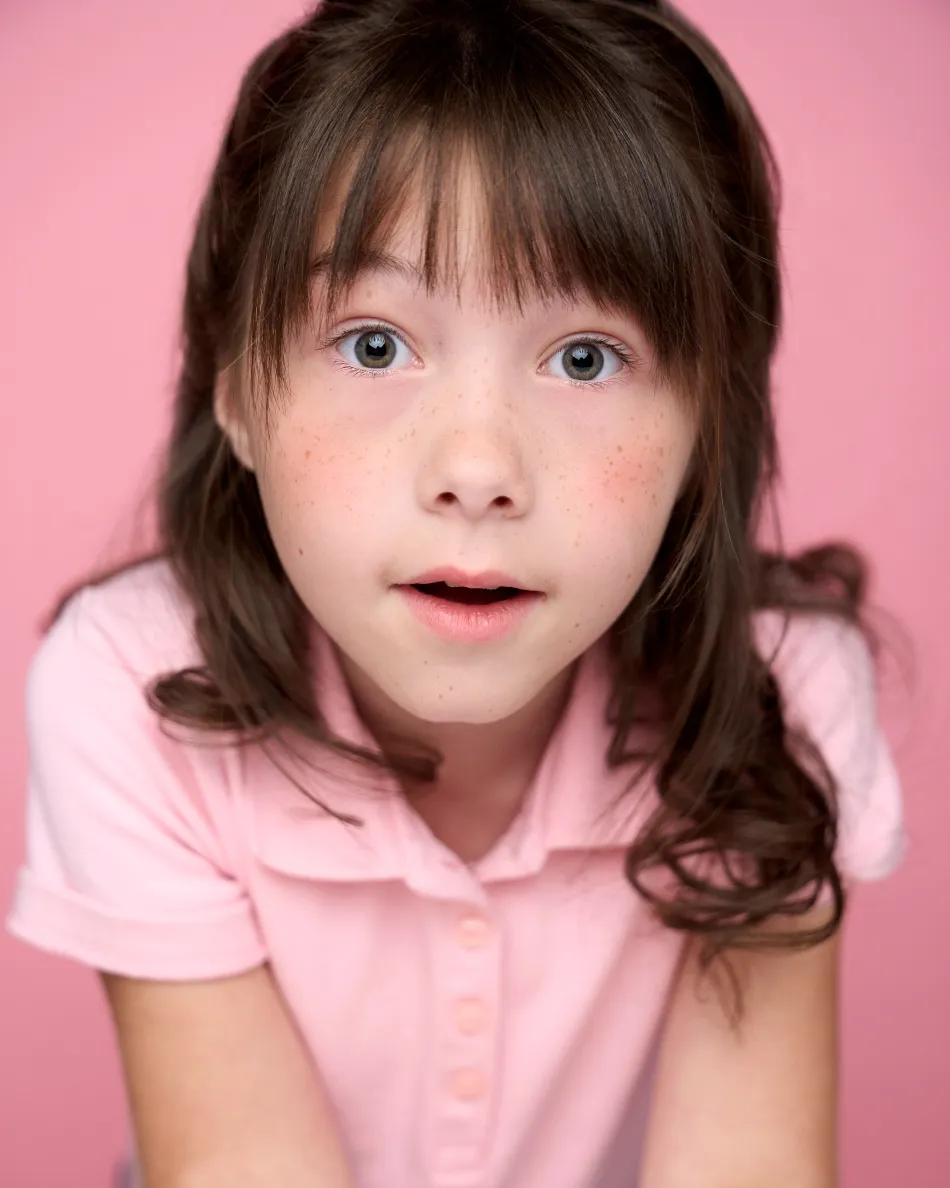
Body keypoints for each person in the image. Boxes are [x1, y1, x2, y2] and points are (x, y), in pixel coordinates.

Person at [6, 1, 907, 1185]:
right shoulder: (133, 696)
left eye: (584, 357)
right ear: (233, 384)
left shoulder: (773, 699)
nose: (477, 471)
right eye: (374, 344)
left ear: (709, 419)